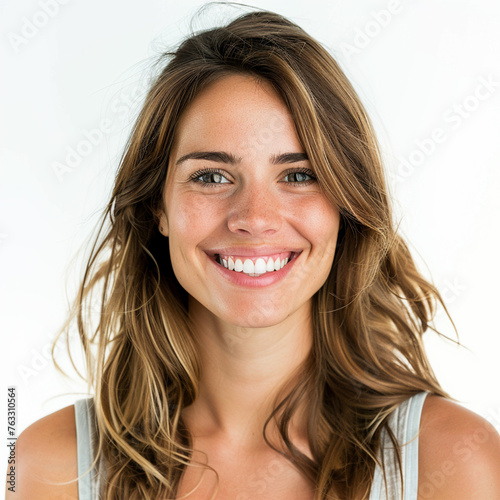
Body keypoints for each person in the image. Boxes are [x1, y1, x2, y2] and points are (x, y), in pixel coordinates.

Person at [7, 6, 500, 500]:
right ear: (159, 205)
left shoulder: (453, 460)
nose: (255, 217)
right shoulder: (48, 464)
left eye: (299, 175)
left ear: (346, 206)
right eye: (211, 176)